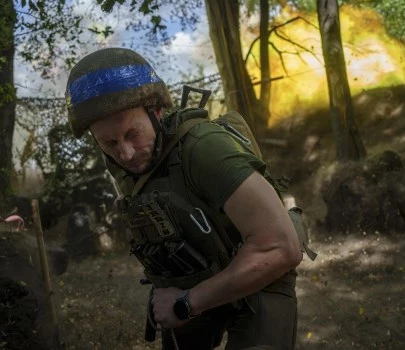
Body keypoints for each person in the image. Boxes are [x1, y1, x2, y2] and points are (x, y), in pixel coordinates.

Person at [65, 47, 304, 349]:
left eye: (132, 134)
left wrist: (185, 303)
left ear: (156, 111)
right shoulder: (123, 166)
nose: (124, 153)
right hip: (192, 280)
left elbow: (280, 248)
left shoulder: (205, 149)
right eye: (109, 142)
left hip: (260, 276)